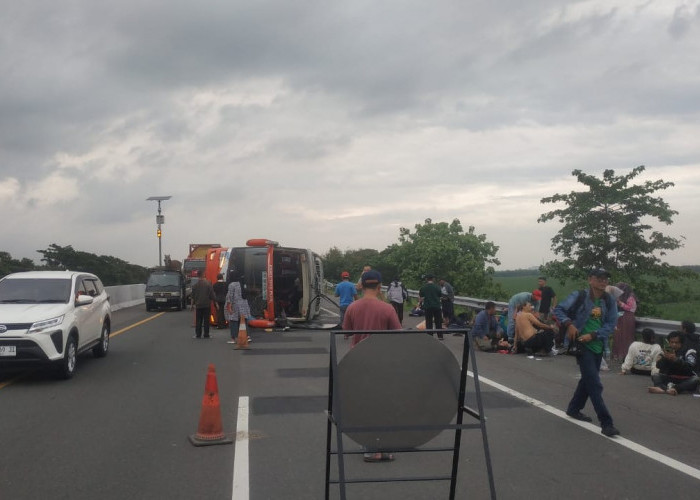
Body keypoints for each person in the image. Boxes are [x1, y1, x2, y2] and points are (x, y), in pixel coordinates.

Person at [343, 269, 402, 463]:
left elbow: (346, 332)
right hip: (381, 362)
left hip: (358, 361)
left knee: (366, 406)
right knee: (382, 406)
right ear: (379, 286)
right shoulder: (387, 309)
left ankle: (370, 446)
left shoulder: (353, 307)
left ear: (363, 285)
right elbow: (397, 334)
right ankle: (377, 449)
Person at [553, 267, 620, 437]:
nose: (603, 281)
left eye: (605, 279)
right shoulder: (580, 296)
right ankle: (606, 423)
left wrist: (595, 334)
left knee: (588, 380)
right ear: (590, 279)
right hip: (582, 346)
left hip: (598, 345)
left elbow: (611, 323)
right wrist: (569, 324)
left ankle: (574, 408)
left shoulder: (609, 300)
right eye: (599, 278)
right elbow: (559, 309)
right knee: (595, 383)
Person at [648, 331, 699, 395]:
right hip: (671, 378)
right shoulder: (666, 352)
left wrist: (676, 360)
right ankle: (666, 389)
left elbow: (690, 367)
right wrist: (664, 358)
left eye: (676, 342)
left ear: (681, 343)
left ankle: (673, 389)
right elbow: (659, 366)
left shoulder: (690, 351)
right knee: (655, 375)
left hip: (685, 378)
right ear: (669, 342)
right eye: (672, 342)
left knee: (695, 379)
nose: (674, 344)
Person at [224, 270, 251, 345]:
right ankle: (247, 336)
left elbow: (230, 296)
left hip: (235, 305)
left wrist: (229, 307)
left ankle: (233, 338)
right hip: (244, 305)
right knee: (243, 321)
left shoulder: (232, 285)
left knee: (233, 322)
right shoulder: (241, 283)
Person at [612, 282, 637, 361]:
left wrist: (620, 304)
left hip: (627, 317)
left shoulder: (630, 297)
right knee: (619, 336)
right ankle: (619, 354)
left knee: (626, 337)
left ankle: (627, 355)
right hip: (620, 318)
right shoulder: (620, 296)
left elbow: (631, 308)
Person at [191, 274, 217, 339]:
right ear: (203, 276)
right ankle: (206, 334)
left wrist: (192, 305)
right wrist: (215, 303)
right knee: (206, 320)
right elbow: (212, 295)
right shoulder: (208, 284)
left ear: (198, 277)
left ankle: (198, 334)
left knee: (198, 320)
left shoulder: (195, 286)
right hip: (207, 305)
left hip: (198, 305)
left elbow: (192, 297)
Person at [418, 274, 443, 340]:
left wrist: (420, 303)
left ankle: (430, 336)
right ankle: (440, 336)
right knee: (438, 321)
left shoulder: (423, 287)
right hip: (437, 306)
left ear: (426, 279)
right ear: (433, 279)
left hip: (428, 306)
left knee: (429, 322)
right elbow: (440, 295)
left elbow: (421, 297)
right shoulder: (437, 287)